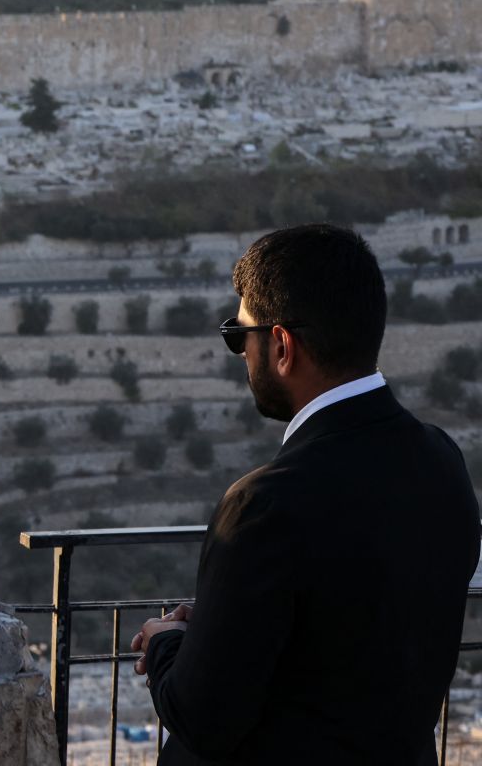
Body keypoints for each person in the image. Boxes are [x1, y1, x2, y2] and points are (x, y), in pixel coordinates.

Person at [129, 224, 480, 764]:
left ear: (282, 346)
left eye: (238, 336)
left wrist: (164, 643)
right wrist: (225, 617)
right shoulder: (442, 461)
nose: (241, 355)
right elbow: (356, 621)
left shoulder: (264, 505)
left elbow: (204, 716)